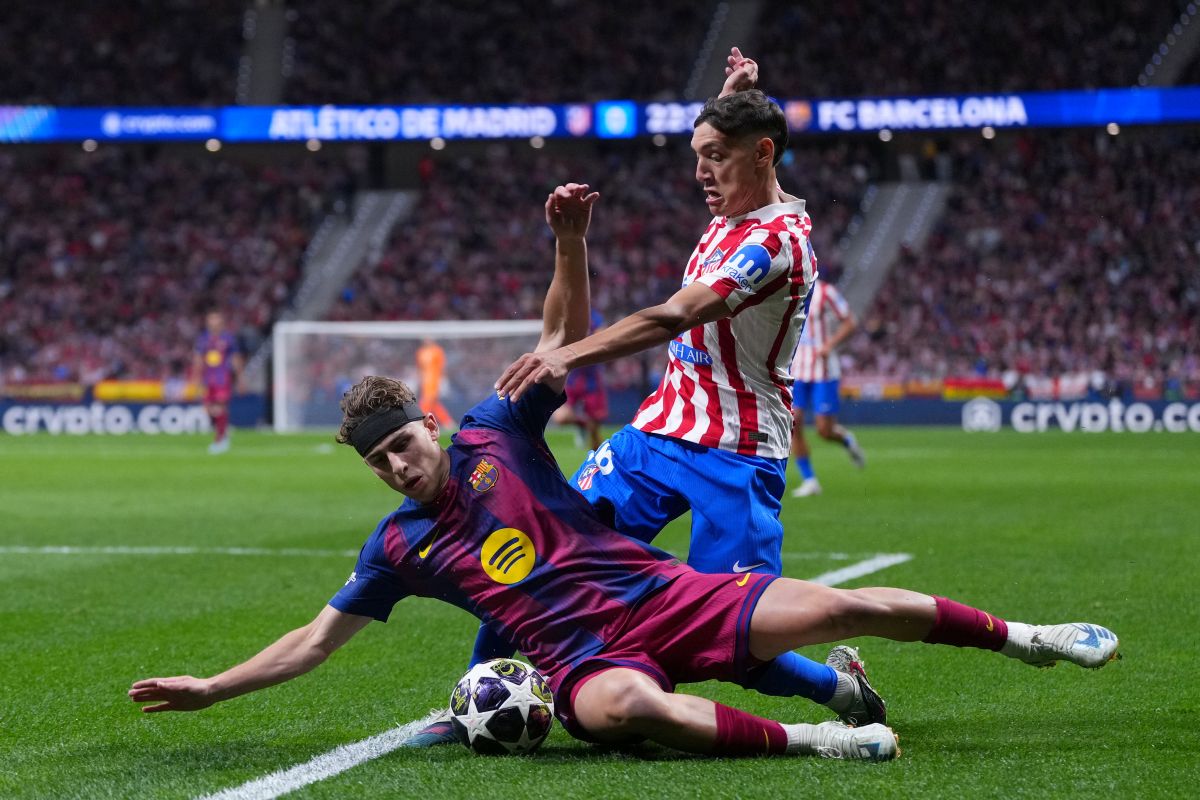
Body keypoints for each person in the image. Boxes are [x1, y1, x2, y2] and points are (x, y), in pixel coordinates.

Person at [129, 185, 1120, 763]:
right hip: (581, 663)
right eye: (381, 459)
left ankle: (1027, 636)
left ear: (428, 425)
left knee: (836, 605)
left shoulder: (490, 434)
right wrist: (212, 688)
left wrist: (570, 240)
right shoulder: (398, 545)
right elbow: (313, 639)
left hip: (664, 594)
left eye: (402, 442)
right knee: (621, 714)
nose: (397, 463)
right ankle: (824, 740)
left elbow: (559, 338)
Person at [788, 276, 866, 497]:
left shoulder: (826, 292)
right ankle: (810, 480)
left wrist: (829, 345)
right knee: (793, 423)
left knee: (824, 430)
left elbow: (850, 322)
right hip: (797, 369)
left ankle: (847, 439)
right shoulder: (786, 291)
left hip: (823, 369)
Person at [551, 309, 608, 451]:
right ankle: (582, 424)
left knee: (596, 442)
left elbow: (604, 340)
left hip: (592, 381)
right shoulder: (565, 317)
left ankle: (598, 469)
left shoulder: (595, 318)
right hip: (571, 380)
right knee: (560, 417)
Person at [191, 311, 243, 454]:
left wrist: (240, 378)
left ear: (221, 322)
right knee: (209, 408)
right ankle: (223, 431)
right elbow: (198, 359)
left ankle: (220, 439)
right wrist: (195, 379)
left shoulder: (228, 338)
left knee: (220, 406)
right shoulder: (203, 339)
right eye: (211, 320)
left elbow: (236, 358)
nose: (214, 323)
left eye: (216, 320)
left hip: (222, 378)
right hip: (208, 379)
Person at [415, 338, 454, 428]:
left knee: (427, 401)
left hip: (434, 380)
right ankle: (447, 422)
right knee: (434, 403)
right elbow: (419, 368)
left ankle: (421, 420)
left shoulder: (437, 351)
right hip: (425, 380)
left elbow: (441, 366)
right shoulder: (420, 352)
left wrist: (442, 380)